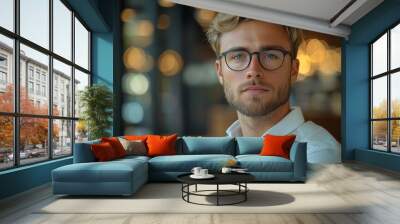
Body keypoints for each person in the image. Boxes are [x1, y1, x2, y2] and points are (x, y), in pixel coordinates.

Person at [206, 13, 341, 164]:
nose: (253, 70)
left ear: (293, 70)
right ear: (220, 71)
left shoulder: (317, 155)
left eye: (271, 56)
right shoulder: (221, 152)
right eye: (237, 56)